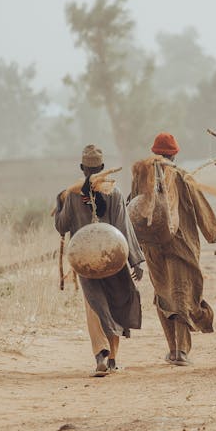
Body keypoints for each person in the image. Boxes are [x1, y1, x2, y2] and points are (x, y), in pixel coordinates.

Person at [55, 144, 144, 376]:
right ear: (103, 168)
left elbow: (61, 226)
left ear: (82, 168)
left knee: (94, 306)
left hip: (85, 262)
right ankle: (112, 359)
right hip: (113, 259)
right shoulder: (113, 193)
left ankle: (101, 355)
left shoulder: (73, 194)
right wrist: (135, 260)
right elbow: (124, 228)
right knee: (116, 304)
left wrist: (61, 202)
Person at [130, 133, 216, 366]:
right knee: (181, 293)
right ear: (175, 154)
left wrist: (134, 246)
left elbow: (132, 207)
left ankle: (172, 349)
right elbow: (201, 209)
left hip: (151, 246)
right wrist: (214, 234)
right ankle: (182, 351)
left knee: (162, 294)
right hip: (181, 244)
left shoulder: (141, 175)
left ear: (154, 152)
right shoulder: (182, 176)